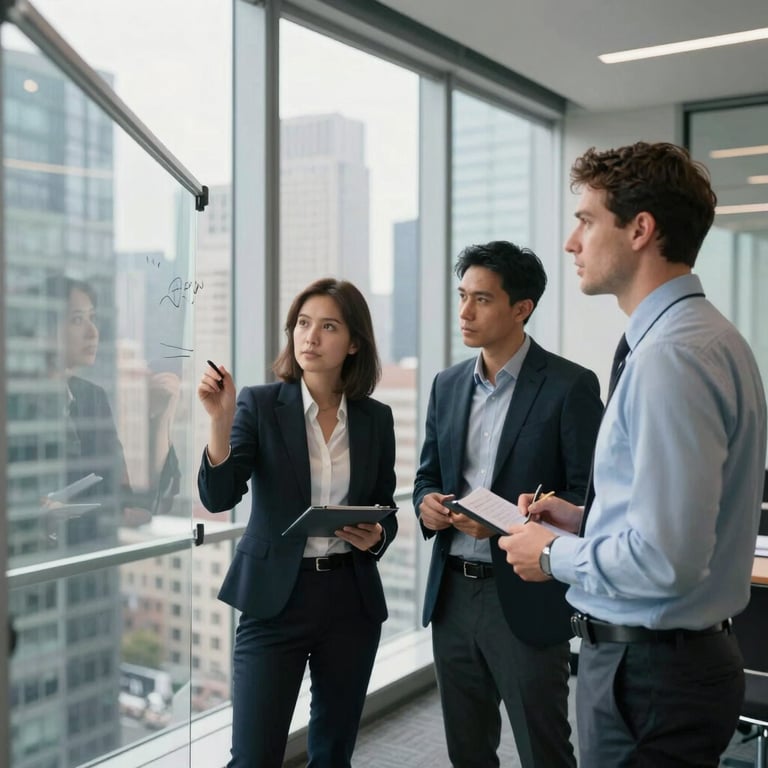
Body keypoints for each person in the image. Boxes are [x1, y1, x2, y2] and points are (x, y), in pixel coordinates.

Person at [499, 141, 768, 767]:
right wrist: (587, 521)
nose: (571, 242)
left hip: (648, 676)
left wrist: (552, 554)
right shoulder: (705, 338)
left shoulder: (672, 357)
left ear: (641, 230)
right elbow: (677, 523)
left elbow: (667, 561)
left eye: (587, 220)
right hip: (666, 666)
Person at [413, 241, 602, 768]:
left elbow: (593, 495)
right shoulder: (447, 385)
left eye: (482, 299)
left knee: (543, 749)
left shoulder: (570, 386)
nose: (464, 313)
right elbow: (427, 476)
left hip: (524, 594)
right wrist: (427, 504)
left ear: (522, 308)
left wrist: (510, 522)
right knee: (467, 751)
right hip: (452, 593)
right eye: (461, 296)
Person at [197, 278, 398, 768]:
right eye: (303, 324)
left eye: (328, 326)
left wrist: (377, 535)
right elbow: (220, 494)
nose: (310, 337)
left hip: (350, 600)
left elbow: (384, 507)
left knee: (332, 754)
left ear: (353, 343)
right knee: (253, 756)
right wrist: (220, 421)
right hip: (274, 602)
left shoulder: (375, 418)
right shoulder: (262, 404)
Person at [44, 275, 180, 545]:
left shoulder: (92, 399)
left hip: (89, 570)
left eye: (92, 318)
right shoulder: (17, 404)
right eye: (77, 320)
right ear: (46, 329)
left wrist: (160, 416)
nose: (93, 332)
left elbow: (139, 505)